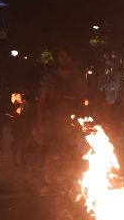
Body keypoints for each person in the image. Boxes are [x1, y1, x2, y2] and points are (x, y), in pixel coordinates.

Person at [37, 48, 87, 194]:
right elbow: (42, 100)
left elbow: (82, 99)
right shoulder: (50, 77)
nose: (64, 59)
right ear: (57, 59)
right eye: (61, 56)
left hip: (71, 122)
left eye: (67, 56)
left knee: (70, 152)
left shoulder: (76, 78)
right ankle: (47, 183)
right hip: (53, 119)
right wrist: (40, 121)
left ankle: (68, 182)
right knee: (50, 151)